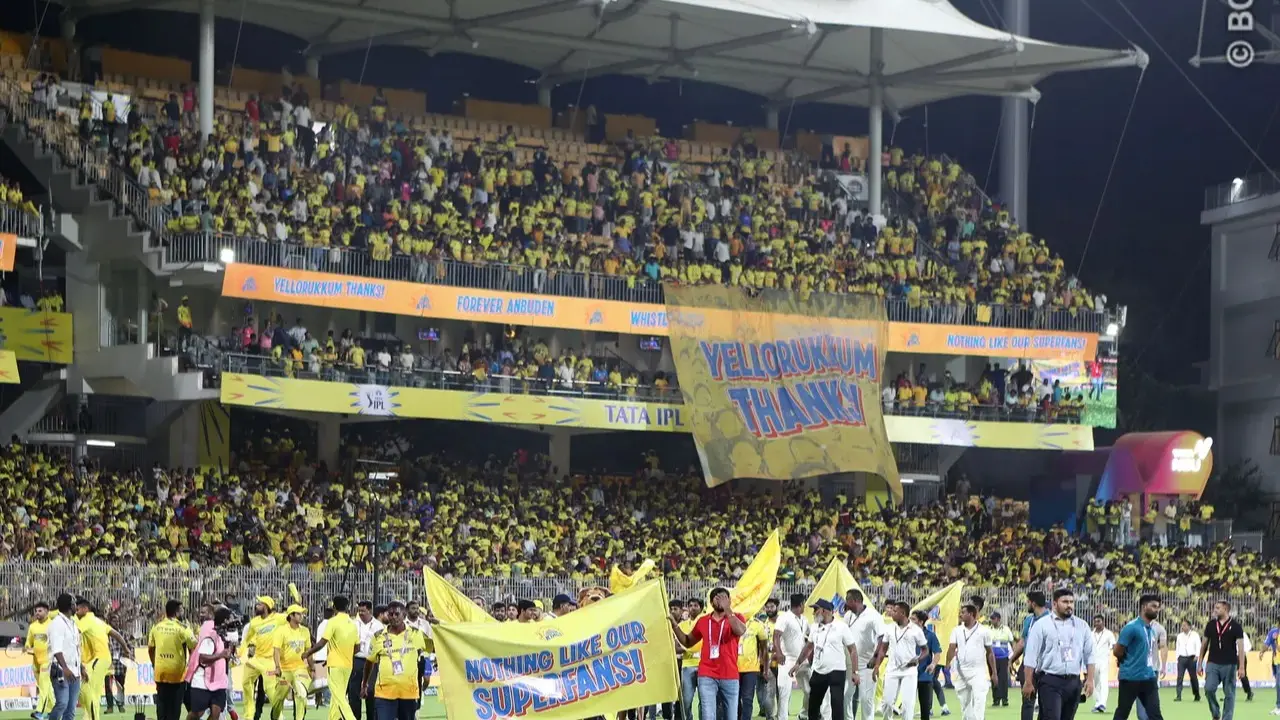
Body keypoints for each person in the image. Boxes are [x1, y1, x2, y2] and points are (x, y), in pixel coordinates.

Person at [670, 587, 748, 720]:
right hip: (707, 675)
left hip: (730, 675)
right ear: (711, 603)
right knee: (707, 715)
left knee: (731, 716)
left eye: (725, 598)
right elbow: (688, 642)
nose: (722, 601)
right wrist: (675, 626)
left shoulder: (737, 617)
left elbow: (740, 630)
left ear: (729, 601)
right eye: (718, 598)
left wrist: (728, 609)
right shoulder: (703, 621)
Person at [1022, 588, 1095, 720]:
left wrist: (1090, 679)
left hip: (1073, 682)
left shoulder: (1082, 625)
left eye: (1072, 602)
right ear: (1054, 604)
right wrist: (1028, 682)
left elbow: (1090, 654)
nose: (1069, 605)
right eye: (1065, 601)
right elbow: (1031, 655)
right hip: (1050, 681)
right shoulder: (1042, 625)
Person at [791, 599, 859, 720]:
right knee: (813, 706)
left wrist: (855, 672)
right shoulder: (814, 627)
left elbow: (852, 649)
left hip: (837, 671)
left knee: (837, 705)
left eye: (815, 610)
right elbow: (808, 647)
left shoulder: (841, 627)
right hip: (818, 670)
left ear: (823, 610)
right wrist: (797, 663)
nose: (813, 613)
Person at [360, 601, 429, 720]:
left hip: (408, 692)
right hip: (384, 693)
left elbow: (431, 650)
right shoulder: (378, 636)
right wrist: (365, 684)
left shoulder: (416, 634)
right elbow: (369, 662)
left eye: (397, 614)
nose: (393, 617)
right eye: (390, 614)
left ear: (404, 614)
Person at [304, 596, 359, 720]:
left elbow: (322, 643)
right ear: (347, 607)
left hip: (335, 665)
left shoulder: (332, 622)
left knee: (339, 697)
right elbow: (357, 648)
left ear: (334, 607)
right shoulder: (353, 624)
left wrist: (307, 653)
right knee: (336, 697)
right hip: (348, 665)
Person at [1111, 595, 1164, 720]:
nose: (1157, 610)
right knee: (1123, 712)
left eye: (1158, 607)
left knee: (1155, 714)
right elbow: (1117, 651)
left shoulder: (1151, 629)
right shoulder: (1131, 627)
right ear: (1144, 607)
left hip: (1149, 677)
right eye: (1154, 606)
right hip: (1130, 677)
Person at [76, 597, 129, 720]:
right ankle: (89, 716)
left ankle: (93, 717)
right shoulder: (99, 621)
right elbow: (116, 634)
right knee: (93, 692)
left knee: (84, 688)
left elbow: (74, 632)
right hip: (104, 660)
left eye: (77, 609)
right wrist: (125, 648)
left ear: (85, 609)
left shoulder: (86, 619)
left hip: (97, 660)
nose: (76, 612)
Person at [186, 606, 238, 720]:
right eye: (230, 619)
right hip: (203, 680)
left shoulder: (225, 636)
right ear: (224, 621)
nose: (232, 622)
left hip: (218, 680)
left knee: (216, 714)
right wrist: (220, 655)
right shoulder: (211, 636)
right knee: (197, 713)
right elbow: (202, 658)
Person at [878, 601, 927, 720]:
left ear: (903, 613)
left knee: (907, 705)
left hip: (909, 671)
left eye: (895, 611)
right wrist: (876, 666)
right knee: (887, 703)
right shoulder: (889, 628)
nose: (891, 613)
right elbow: (883, 649)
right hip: (892, 670)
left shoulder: (916, 630)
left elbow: (925, 650)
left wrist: (917, 659)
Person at [150, 599, 198, 720]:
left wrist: (154, 664)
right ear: (177, 612)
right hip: (177, 674)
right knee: (174, 709)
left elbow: (151, 649)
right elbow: (194, 646)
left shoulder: (156, 627)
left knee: (162, 707)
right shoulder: (183, 628)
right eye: (181, 610)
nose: (183, 613)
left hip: (160, 673)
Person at [947, 604, 995, 720]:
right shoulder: (957, 630)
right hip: (961, 670)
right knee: (964, 702)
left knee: (979, 699)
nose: (961, 614)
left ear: (971, 614)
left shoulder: (984, 631)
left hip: (977, 670)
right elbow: (952, 647)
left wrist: (994, 672)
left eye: (963, 612)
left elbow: (990, 652)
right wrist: (947, 663)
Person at [1199, 600, 1245, 720]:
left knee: (1229, 693)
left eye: (1218, 608)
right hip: (1212, 663)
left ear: (1225, 609)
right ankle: (1215, 713)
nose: (1215, 610)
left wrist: (1241, 667)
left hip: (1230, 664)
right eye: (1215, 607)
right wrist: (1199, 663)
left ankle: (1227, 718)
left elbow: (1241, 648)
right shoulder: (1210, 625)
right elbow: (1204, 645)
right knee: (1209, 688)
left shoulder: (1236, 626)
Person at [243, 597, 285, 720]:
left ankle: (279, 716)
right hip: (256, 659)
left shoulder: (278, 618)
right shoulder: (254, 622)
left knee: (270, 690)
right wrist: (241, 651)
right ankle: (249, 716)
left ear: (266, 606)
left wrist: (298, 600)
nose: (257, 605)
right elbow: (247, 638)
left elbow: (292, 616)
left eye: (260, 604)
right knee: (246, 682)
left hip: (270, 661)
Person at [1011, 591, 1049, 720]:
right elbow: (1022, 642)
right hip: (1028, 665)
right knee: (1028, 701)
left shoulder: (1051, 620)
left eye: (1027, 602)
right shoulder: (1029, 620)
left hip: (1046, 667)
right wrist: (1012, 659)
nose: (1026, 604)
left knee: (1046, 703)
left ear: (1033, 603)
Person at [270, 605, 312, 720]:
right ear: (291, 616)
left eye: (302, 614)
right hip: (285, 670)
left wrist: (312, 668)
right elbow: (276, 651)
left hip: (300, 669)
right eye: (299, 614)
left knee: (302, 695)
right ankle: (274, 717)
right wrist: (277, 667)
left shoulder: (305, 631)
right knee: (278, 699)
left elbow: (308, 651)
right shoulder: (281, 630)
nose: (302, 616)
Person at [773, 594, 811, 720]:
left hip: (801, 660)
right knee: (784, 691)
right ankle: (782, 718)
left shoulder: (804, 620)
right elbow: (776, 635)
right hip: (787, 659)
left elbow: (810, 637)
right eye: (804, 604)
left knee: (810, 690)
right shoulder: (784, 618)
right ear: (801, 604)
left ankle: (804, 714)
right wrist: (779, 652)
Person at [48, 593, 82, 720]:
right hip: (61, 670)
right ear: (69, 606)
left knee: (71, 709)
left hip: (75, 670)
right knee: (62, 703)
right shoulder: (57, 623)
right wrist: (65, 668)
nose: (76, 607)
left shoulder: (72, 623)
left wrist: (81, 667)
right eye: (74, 604)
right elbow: (57, 650)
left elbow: (75, 649)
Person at [351, 601, 383, 720]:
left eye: (363, 611)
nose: (361, 613)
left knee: (371, 692)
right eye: (359, 611)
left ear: (369, 611)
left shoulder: (378, 626)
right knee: (354, 693)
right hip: (356, 660)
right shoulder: (353, 623)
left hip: (372, 661)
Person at [737, 610, 770, 720]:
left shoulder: (757, 625)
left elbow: (764, 648)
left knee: (747, 698)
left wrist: (765, 669)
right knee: (734, 699)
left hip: (751, 669)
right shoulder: (732, 621)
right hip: (732, 668)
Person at [26, 602, 55, 720]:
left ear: (47, 612)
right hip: (36, 661)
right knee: (45, 688)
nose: (37, 613)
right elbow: (29, 641)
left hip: (47, 661)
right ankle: (54, 710)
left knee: (43, 687)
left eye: (40, 611)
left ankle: (39, 711)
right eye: (36, 611)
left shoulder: (52, 625)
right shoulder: (33, 626)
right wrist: (27, 647)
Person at [912, 611, 942, 720]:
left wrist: (933, 664)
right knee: (907, 706)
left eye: (913, 619)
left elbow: (937, 653)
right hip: (908, 675)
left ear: (921, 622)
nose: (910, 622)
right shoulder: (906, 633)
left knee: (925, 709)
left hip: (924, 675)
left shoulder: (930, 636)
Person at [1090, 616, 1117, 712]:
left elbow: (1114, 646)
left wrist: (1118, 657)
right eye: (1095, 621)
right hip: (1093, 662)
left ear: (1103, 622)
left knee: (1104, 682)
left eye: (1099, 621)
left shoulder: (1109, 634)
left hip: (1104, 661)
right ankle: (1097, 703)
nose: (1097, 623)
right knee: (1095, 683)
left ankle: (1103, 703)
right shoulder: (1090, 634)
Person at [988, 612, 1013, 708]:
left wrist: (1014, 655)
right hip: (991, 658)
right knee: (993, 678)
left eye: (993, 618)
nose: (991, 620)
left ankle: (1004, 699)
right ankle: (996, 699)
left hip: (1003, 658)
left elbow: (1012, 642)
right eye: (991, 618)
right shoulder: (988, 630)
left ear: (998, 619)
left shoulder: (1006, 630)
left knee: (1003, 679)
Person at [1174, 619, 1201, 702]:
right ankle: (1178, 695)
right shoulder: (1179, 636)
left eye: (1185, 625)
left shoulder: (1195, 635)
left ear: (1189, 626)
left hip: (1191, 658)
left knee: (1193, 677)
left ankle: (1196, 694)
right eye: (1182, 625)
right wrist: (1177, 657)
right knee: (1179, 677)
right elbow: (1177, 647)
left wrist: (1197, 655)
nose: (1183, 627)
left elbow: (1198, 645)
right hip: (1182, 658)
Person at [1260, 621, 1280, 715]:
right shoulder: (1273, 632)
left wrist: (1276, 640)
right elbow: (1267, 644)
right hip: (1276, 662)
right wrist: (1262, 652)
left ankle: (1279, 707)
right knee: (1278, 684)